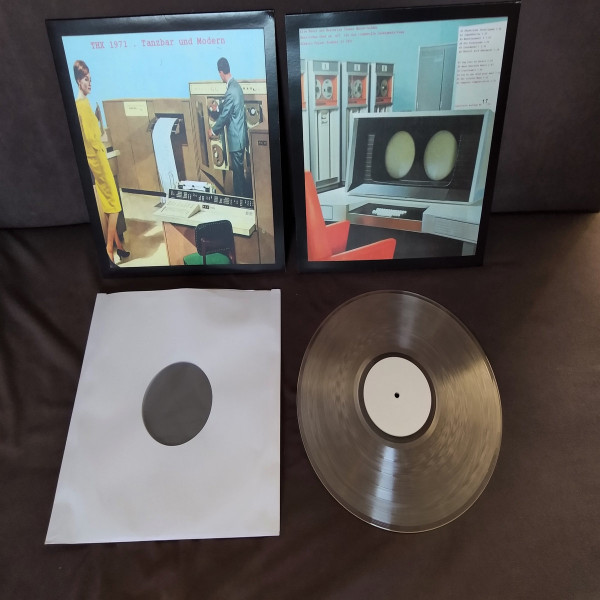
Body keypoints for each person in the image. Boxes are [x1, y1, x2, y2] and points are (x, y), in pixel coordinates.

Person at [73, 60, 129, 264]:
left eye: (90, 79)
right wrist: (98, 120)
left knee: (107, 203)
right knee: (114, 206)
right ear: (78, 81)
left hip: (93, 159)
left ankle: (119, 248)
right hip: (98, 158)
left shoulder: (79, 105)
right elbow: (94, 137)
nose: (90, 83)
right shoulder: (83, 105)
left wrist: (97, 119)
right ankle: (109, 250)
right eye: (86, 79)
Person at [210, 57, 249, 198]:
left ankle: (240, 201)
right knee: (239, 172)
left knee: (237, 174)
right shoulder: (236, 86)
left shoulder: (231, 90)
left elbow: (225, 115)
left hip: (236, 139)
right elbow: (230, 105)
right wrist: (217, 108)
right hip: (241, 137)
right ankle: (242, 198)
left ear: (221, 72)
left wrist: (213, 130)